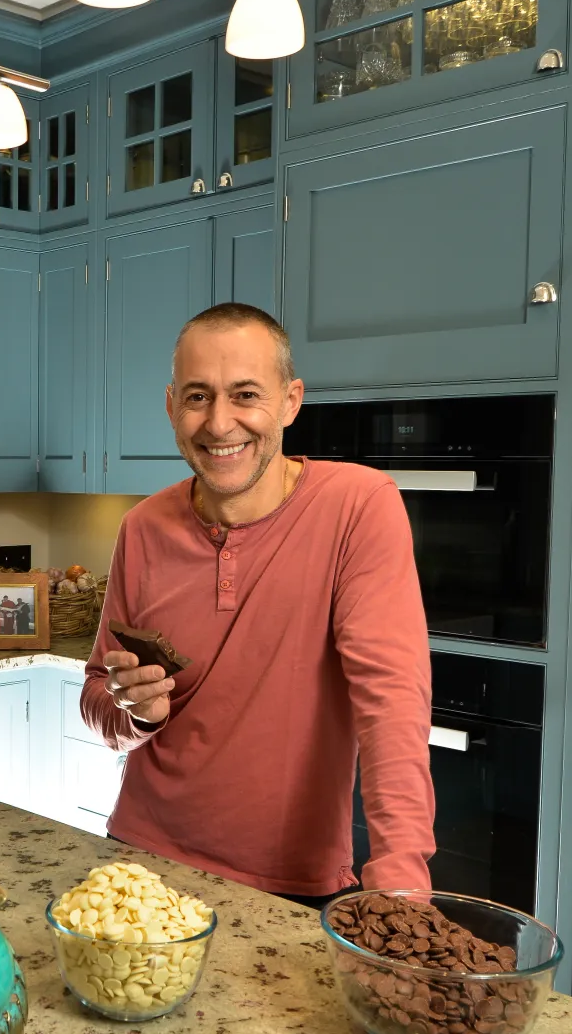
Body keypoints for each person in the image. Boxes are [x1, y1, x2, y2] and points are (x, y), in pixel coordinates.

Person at [80, 303, 435, 902]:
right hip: (141, 864)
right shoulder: (141, 528)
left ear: (291, 401)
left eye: (246, 395)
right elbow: (97, 694)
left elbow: (392, 702)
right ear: (171, 406)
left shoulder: (359, 505)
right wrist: (136, 714)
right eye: (198, 397)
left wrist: (400, 883)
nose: (220, 424)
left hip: (291, 885)